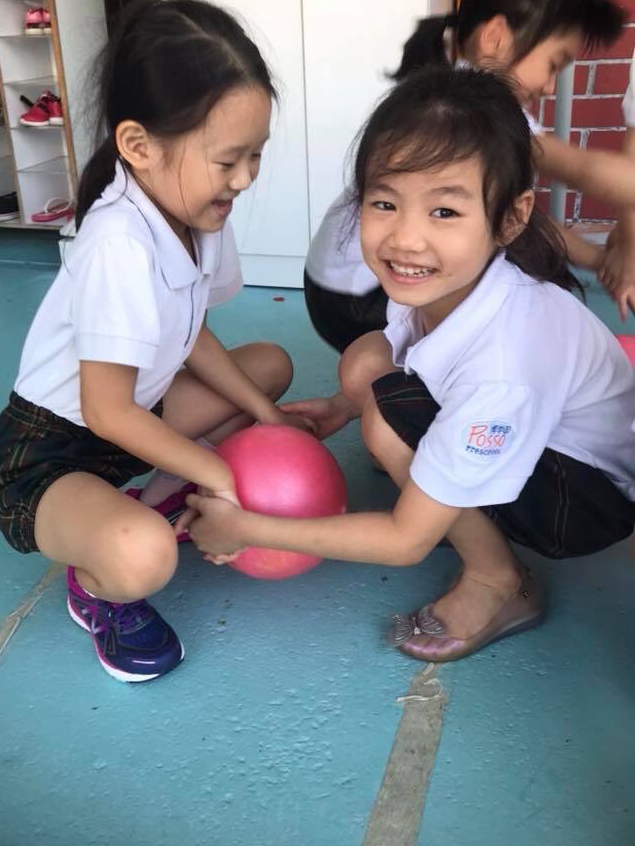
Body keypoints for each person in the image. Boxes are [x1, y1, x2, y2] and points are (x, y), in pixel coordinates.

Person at [185, 67, 635, 664]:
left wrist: (246, 529)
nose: (406, 238)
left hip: (584, 502)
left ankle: (497, 581)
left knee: (387, 422)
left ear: (511, 217)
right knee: (365, 362)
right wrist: (342, 407)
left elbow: (404, 541)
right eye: (384, 202)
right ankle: (440, 476)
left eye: (444, 212)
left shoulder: (505, 362)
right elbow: (396, 356)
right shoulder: (438, 289)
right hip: (540, 439)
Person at [0, 0, 310, 684]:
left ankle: (147, 492)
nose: (245, 178)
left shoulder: (199, 214)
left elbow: (188, 335)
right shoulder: (118, 244)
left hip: (136, 413)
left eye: (256, 155)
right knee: (145, 557)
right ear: (138, 146)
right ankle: (96, 590)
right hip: (50, 451)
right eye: (229, 160)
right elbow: (105, 412)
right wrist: (213, 472)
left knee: (269, 368)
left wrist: (268, 415)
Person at [305, 0, 635, 352]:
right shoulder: (478, 114)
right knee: (514, 294)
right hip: (363, 298)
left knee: (493, 234)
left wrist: (601, 260)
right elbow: (614, 181)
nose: (550, 87)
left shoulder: (446, 89)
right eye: (553, 64)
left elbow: (520, 221)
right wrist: (617, 254)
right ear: (496, 37)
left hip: (332, 288)